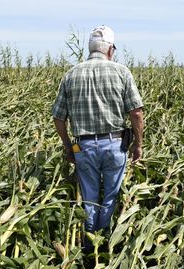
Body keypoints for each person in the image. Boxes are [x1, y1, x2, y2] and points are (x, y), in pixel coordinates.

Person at [51, 25, 144, 248]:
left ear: (90, 48)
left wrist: (68, 148)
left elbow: (58, 118)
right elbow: (136, 113)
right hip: (115, 144)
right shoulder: (121, 72)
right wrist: (138, 145)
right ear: (110, 49)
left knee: (90, 197)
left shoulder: (71, 74)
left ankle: (89, 245)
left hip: (83, 147)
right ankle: (105, 245)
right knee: (110, 196)